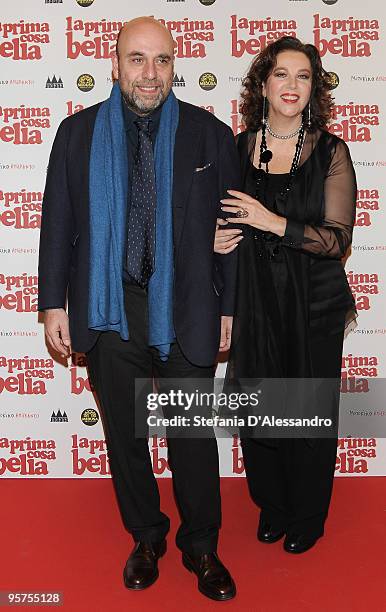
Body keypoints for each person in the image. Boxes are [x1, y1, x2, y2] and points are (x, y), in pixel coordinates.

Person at [38, 17, 240, 601]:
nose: (150, 74)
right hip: (110, 307)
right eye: (137, 59)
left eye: (161, 60)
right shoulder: (76, 136)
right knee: (125, 433)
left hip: (185, 305)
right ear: (115, 63)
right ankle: (147, 536)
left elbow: (231, 225)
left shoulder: (208, 134)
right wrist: (54, 303)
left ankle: (202, 546)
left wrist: (227, 303)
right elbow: (59, 226)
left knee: (191, 436)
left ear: (175, 64)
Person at [215, 36, 356, 554]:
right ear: (263, 85)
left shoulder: (332, 152)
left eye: (303, 76)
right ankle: (271, 506)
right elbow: (218, 215)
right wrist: (214, 235)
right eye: (281, 75)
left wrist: (274, 222)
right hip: (253, 300)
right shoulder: (238, 145)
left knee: (308, 413)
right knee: (259, 407)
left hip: (312, 304)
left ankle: (307, 516)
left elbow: (337, 239)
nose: (292, 85)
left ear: (314, 86)